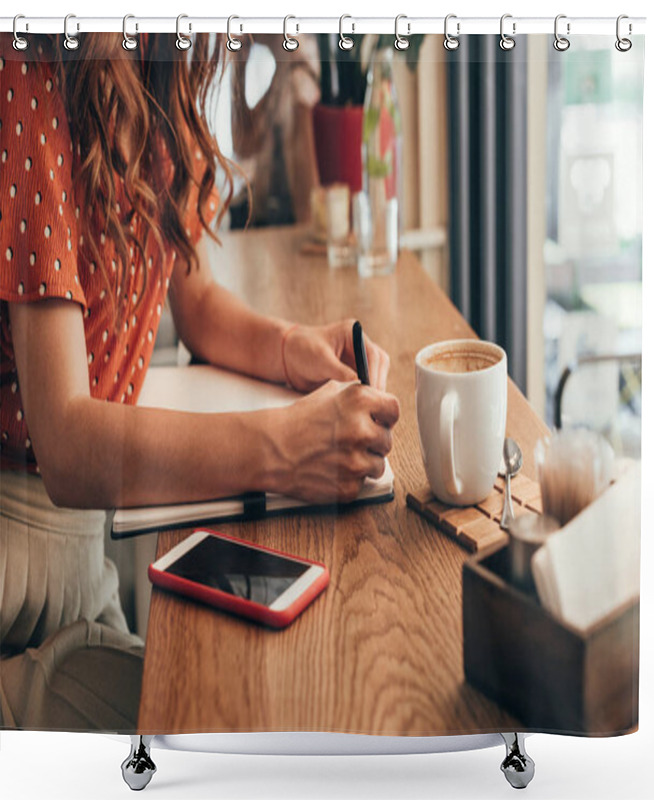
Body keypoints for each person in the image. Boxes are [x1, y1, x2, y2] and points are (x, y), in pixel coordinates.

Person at [0, 33, 399, 731]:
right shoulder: (29, 64)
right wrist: (284, 448)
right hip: (17, 586)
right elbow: (64, 441)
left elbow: (199, 303)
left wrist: (292, 348)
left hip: (82, 566)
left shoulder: (166, 61)